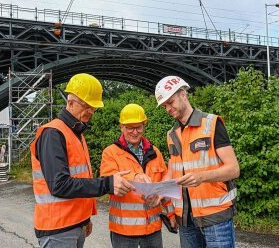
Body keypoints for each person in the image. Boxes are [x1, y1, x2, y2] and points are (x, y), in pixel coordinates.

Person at [30, 73, 136, 248]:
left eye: (93, 107)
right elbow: (59, 185)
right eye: (87, 106)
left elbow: (80, 178)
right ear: (70, 103)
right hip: (58, 228)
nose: (91, 111)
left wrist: (85, 219)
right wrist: (107, 184)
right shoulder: (53, 133)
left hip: (74, 224)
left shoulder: (75, 133)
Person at [154, 76, 240, 248]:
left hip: (215, 216)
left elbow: (233, 169)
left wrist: (201, 177)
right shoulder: (172, 134)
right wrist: (159, 192)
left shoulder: (212, 124)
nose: (168, 109)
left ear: (183, 94)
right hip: (185, 219)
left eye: (170, 102)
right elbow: (173, 172)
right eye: (165, 106)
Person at [100, 103, 177, 248]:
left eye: (138, 127)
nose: (135, 132)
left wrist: (171, 214)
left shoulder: (155, 152)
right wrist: (134, 178)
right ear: (121, 127)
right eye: (130, 127)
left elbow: (164, 186)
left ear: (144, 126)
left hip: (153, 229)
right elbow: (108, 181)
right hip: (124, 232)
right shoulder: (110, 153)